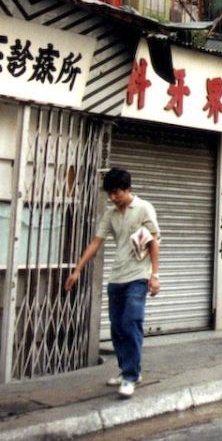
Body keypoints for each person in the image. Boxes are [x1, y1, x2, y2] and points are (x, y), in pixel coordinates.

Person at [65, 167, 160, 398]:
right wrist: (77, 270)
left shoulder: (144, 208)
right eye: (110, 193)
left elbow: (154, 241)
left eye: (116, 192)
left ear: (128, 189)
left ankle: (131, 375)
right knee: (117, 327)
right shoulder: (111, 214)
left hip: (138, 277)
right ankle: (126, 369)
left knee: (131, 322)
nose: (112, 197)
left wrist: (155, 275)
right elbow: (96, 243)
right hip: (116, 278)